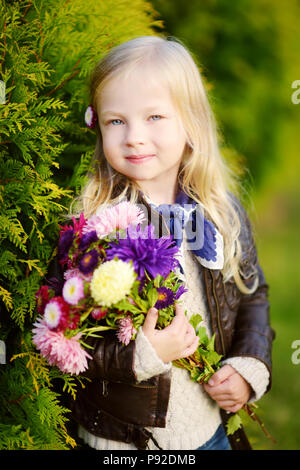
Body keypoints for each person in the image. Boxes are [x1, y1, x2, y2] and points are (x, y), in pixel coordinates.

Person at [50, 35, 275, 451]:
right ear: (97, 125)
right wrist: (142, 353)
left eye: (154, 117)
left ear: (191, 121)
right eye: (116, 121)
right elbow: (65, 340)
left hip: (208, 431)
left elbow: (253, 295)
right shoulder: (97, 230)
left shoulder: (221, 213)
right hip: (123, 441)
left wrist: (249, 367)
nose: (134, 136)